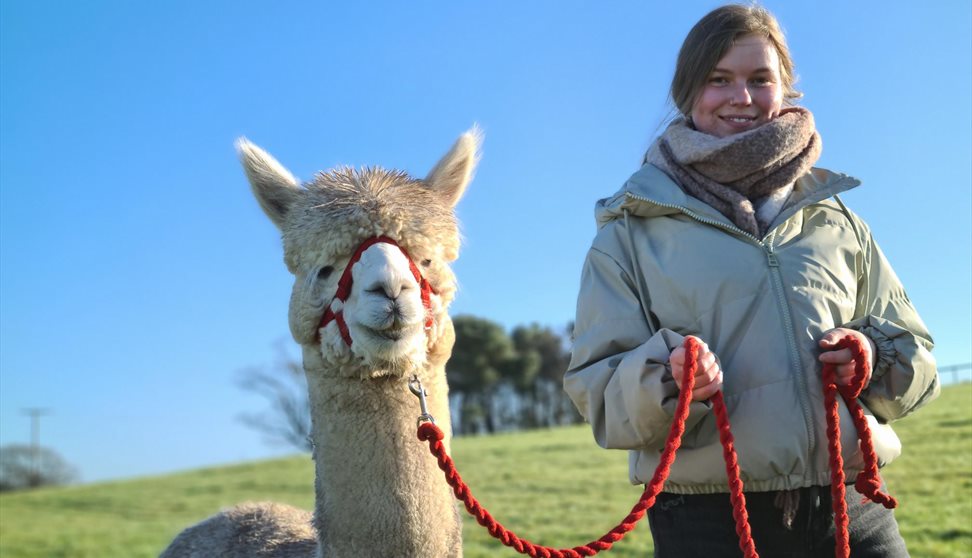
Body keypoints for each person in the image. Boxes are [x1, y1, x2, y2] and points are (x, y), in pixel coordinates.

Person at [563, 4, 939, 557]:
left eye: (760, 79)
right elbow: (597, 394)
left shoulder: (839, 222)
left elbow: (919, 356)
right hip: (706, 523)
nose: (742, 97)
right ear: (688, 92)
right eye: (720, 80)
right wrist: (668, 378)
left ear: (785, 89)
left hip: (853, 510)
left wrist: (872, 356)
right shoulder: (628, 232)